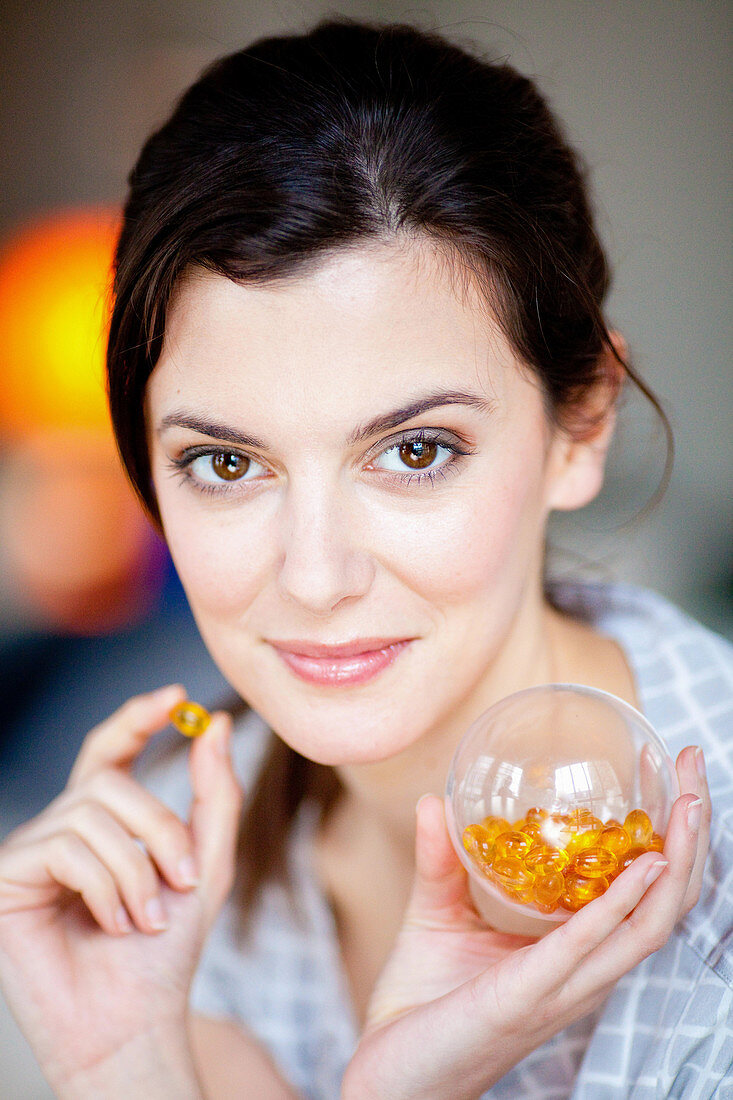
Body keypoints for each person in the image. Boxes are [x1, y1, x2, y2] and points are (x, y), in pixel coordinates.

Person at [0, 17, 730, 1099]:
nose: (313, 574)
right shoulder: (170, 867)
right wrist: (127, 1065)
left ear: (581, 424)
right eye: (225, 462)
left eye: (415, 449)